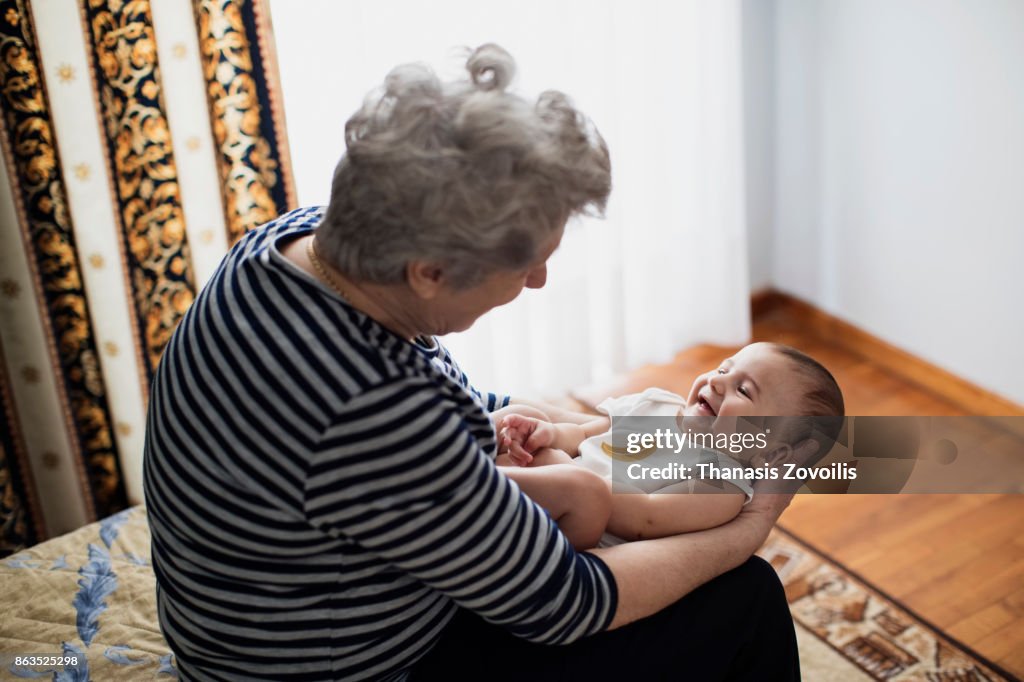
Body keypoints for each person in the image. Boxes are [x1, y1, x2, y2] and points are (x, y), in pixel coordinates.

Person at [143, 44, 800, 681]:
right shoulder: (372, 410)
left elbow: (422, 410)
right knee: (747, 598)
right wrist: (747, 529)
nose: (540, 279)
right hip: (350, 664)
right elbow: (569, 604)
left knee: (831, 449)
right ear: (429, 273)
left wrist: (537, 427)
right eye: (526, 263)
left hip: (251, 616)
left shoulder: (294, 241)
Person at [493, 342, 846, 547]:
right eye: (724, 370)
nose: (718, 383)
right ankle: (468, 472)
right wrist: (551, 435)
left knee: (578, 487)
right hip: (559, 481)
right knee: (522, 413)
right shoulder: (658, 405)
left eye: (743, 390)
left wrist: (560, 466)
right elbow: (589, 434)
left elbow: (646, 517)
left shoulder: (721, 485)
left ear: (772, 450)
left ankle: (478, 487)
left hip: (581, 532)